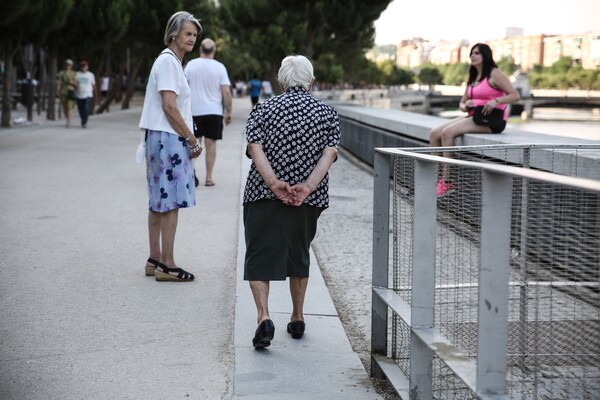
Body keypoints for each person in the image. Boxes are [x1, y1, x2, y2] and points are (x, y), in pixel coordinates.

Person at [243, 55, 341, 348]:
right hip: (307, 198)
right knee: (299, 251)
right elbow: (330, 153)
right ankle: (297, 317)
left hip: (262, 192)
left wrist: (273, 183)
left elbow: (254, 147)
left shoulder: (263, 109)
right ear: (310, 82)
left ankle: (264, 317)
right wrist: (307, 187)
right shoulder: (327, 113)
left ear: (281, 81)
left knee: (259, 252)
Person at [138, 11, 203, 282]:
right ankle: (167, 264)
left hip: (159, 137)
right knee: (170, 202)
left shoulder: (171, 62)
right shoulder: (168, 62)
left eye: (195, 35)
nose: (192, 39)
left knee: (158, 202)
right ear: (174, 33)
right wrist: (191, 138)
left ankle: (154, 259)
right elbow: (169, 106)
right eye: (188, 34)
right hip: (168, 138)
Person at [428, 43, 520, 197]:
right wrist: (466, 105)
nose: (472, 56)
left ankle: (447, 181)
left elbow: (515, 95)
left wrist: (496, 101)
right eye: (471, 53)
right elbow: (462, 103)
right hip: (474, 116)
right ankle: (434, 180)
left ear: (485, 55)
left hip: (492, 121)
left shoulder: (494, 73)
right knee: (433, 134)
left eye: (477, 53)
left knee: (447, 133)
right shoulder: (473, 77)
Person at [184, 38, 232, 187]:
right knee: (211, 145)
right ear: (214, 51)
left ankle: (190, 173)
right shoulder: (220, 67)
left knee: (194, 144)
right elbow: (226, 92)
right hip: (214, 112)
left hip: (195, 111)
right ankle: (209, 178)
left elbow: (183, 88)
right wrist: (229, 111)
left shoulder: (191, 65)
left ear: (200, 50)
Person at [75, 60, 96, 128]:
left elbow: (93, 85)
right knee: (80, 109)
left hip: (88, 94)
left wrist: (93, 92)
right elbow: (75, 83)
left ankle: (84, 122)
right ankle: (83, 119)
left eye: (85, 66)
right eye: (82, 66)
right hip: (79, 94)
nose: (83, 67)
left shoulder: (91, 75)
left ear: (87, 67)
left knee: (86, 108)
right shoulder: (77, 74)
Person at [57, 59, 77, 128]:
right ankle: (67, 117)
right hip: (63, 91)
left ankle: (69, 120)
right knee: (65, 107)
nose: (68, 66)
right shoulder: (62, 72)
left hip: (71, 90)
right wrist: (57, 90)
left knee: (70, 106)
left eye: (69, 65)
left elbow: (76, 83)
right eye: (67, 64)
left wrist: (72, 82)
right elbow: (59, 82)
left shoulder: (74, 73)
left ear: (71, 66)